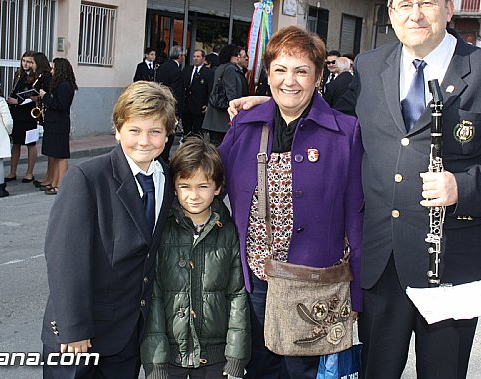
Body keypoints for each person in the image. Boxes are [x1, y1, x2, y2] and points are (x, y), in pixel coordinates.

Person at [229, 0, 481, 379]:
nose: (416, 14)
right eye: (405, 4)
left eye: (427, 2)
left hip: (449, 263)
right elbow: (329, 122)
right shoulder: (372, 66)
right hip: (381, 263)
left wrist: (462, 185)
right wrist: (268, 106)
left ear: (448, 9)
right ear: (391, 14)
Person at [219, 26, 363, 379]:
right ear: (267, 75)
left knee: (305, 373)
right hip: (256, 283)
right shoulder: (244, 127)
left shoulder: (346, 133)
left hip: (315, 288)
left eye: (301, 70)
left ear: (318, 77)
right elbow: (208, 183)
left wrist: (357, 292)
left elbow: (357, 215)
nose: (290, 81)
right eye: (280, 70)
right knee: (259, 370)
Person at [41, 81, 177, 379]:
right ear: (117, 131)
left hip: (128, 334)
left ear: (167, 136)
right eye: (134, 130)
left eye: (155, 131)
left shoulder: (167, 179)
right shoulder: (87, 177)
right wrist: (73, 329)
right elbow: (65, 259)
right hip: (81, 338)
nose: (144, 140)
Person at [141, 136, 250, 379]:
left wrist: (235, 360)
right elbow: (154, 297)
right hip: (170, 357)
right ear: (174, 187)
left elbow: (237, 297)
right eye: (185, 186)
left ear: (219, 187)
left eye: (203, 186)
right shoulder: (162, 230)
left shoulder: (228, 232)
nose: (194, 195)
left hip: (216, 357)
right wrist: (156, 364)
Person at [38, 57, 77, 195]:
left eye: (53, 68)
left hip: (59, 124)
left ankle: (61, 185)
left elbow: (61, 105)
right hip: (53, 123)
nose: (51, 71)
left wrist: (45, 97)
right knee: (54, 154)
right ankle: (54, 182)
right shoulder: (59, 84)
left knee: (60, 155)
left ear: (60, 70)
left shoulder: (66, 86)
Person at [5, 50, 38, 183]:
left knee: (31, 143)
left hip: (29, 114)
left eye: (29, 62)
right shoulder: (18, 74)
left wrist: (18, 101)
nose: (25, 64)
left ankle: (29, 173)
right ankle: (12, 172)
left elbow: (35, 97)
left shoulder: (36, 77)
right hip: (16, 114)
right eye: (24, 61)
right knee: (16, 143)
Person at [202, 44, 243, 146]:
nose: (238, 57)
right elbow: (231, 91)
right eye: (236, 54)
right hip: (223, 119)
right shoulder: (230, 69)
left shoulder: (221, 67)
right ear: (229, 55)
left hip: (214, 117)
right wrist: (235, 110)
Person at [28, 52, 53, 189]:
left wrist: (40, 98)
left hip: (47, 113)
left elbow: (48, 94)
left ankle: (50, 177)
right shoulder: (39, 76)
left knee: (51, 150)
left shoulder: (46, 76)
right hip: (43, 112)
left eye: (32, 62)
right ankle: (48, 177)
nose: (30, 65)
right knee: (48, 148)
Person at [156, 45, 185, 162]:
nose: (183, 58)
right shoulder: (177, 71)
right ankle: (164, 158)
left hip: (160, 104)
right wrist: (177, 112)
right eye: (183, 55)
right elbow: (176, 93)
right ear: (179, 56)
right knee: (170, 134)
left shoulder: (162, 67)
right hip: (171, 108)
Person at [182, 49, 214, 137]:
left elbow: (210, 90)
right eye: (194, 56)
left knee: (198, 132)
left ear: (203, 59)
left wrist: (208, 104)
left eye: (198, 57)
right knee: (186, 131)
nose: (196, 59)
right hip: (187, 107)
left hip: (199, 107)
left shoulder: (209, 73)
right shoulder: (187, 70)